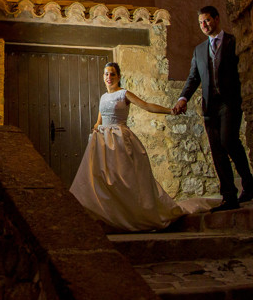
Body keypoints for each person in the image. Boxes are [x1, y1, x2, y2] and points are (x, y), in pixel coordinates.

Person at [70, 62, 211, 231]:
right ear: (103, 77)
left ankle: (131, 216)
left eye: (112, 74)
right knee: (101, 182)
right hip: (101, 142)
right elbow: (99, 120)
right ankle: (110, 217)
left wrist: (170, 111)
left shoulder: (124, 94)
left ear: (119, 77)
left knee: (123, 179)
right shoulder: (102, 97)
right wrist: (96, 127)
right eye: (106, 74)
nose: (109, 77)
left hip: (120, 140)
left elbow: (146, 106)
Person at [172, 5, 253, 212]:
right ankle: (229, 196)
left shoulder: (233, 43)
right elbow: (193, 78)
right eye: (201, 22)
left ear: (217, 19)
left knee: (229, 140)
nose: (204, 25)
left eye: (207, 20)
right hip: (210, 107)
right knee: (217, 150)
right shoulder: (199, 50)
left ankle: (248, 182)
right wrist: (183, 98)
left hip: (230, 103)